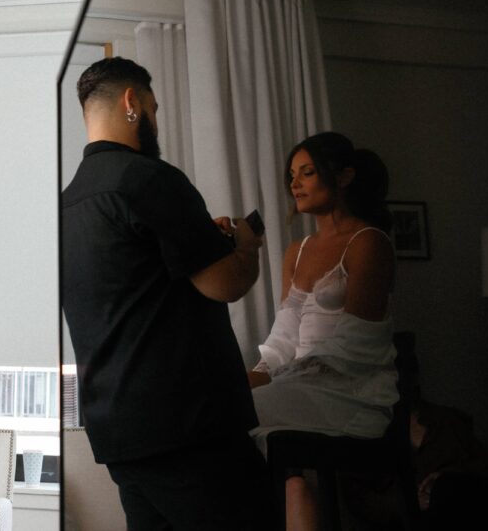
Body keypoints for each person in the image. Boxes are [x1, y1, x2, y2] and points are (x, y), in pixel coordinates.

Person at [61, 57, 273, 531]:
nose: (155, 122)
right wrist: (246, 244)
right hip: (187, 426)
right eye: (154, 109)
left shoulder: (68, 201)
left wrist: (201, 238)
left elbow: (135, 284)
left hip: (119, 431)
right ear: (132, 102)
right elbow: (226, 283)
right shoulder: (150, 179)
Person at [247, 132, 399, 531]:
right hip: (300, 385)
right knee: (217, 402)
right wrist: (253, 376)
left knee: (228, 414)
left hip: (350, 390)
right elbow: (283, 339)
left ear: (344, 176)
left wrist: (273, 384)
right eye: (291, 175)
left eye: (307, 172)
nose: (294, 183)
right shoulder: (297, 251)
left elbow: (356, 348)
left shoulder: (369, 243)